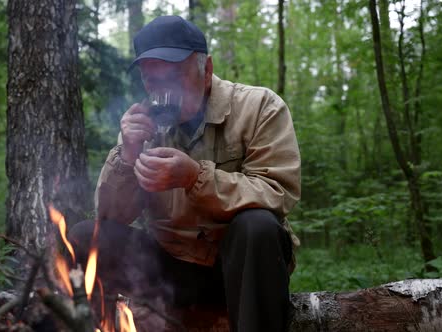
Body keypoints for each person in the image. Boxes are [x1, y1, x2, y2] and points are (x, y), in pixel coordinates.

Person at [69, 15, 301, 332]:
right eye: (151, 80)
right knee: (84, 236)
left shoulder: (259, 107)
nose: (162, 90)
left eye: (173, 77)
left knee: (257, 225)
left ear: (206, 71)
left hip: (238, 268)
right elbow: (111, 215)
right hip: (169, 270)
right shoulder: (142, 126)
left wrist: (195, 179)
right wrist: (128, 155)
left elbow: (278, 193)